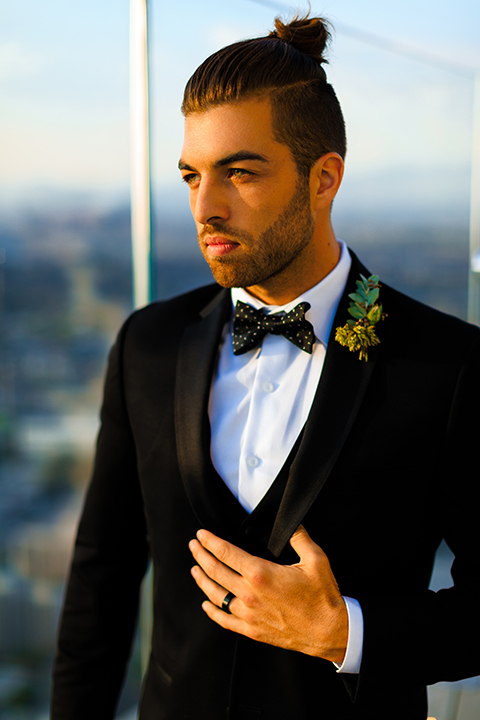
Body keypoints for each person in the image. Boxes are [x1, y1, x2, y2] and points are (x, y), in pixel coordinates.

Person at [51, 14, 480, 720]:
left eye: (239, 173)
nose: (204, 208)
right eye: (192, 175)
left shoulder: (446, 365)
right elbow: (99, 586)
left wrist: (347, 632)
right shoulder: (147, 346)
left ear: (324, 178)